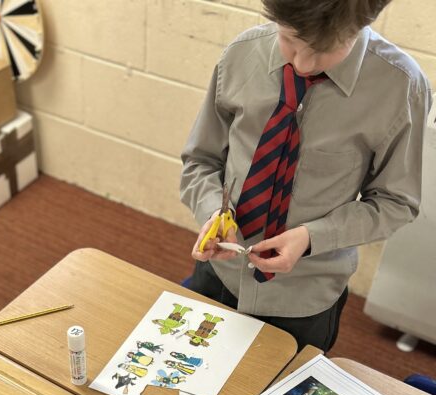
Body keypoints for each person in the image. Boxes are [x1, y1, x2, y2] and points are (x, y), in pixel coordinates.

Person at [180, 0, 431, 351]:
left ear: (361, 25)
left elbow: (395, 203)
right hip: (220, 273)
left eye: (325, 50)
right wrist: (211, 211)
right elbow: (200, 160)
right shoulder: (242, 55)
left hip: (304, 299)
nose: (302, 63)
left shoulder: (400, 88)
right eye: (290, 40)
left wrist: (312, 237)